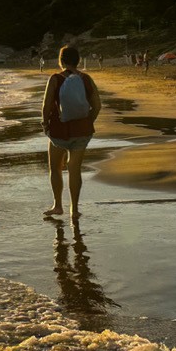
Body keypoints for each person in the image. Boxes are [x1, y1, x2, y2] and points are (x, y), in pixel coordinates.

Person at [42, 45, 102, 221]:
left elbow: (46, 105)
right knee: (74, 170)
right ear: (78, 60)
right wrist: (88, 121)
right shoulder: (86, 79)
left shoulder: (55, 79)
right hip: (82, 132)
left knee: (55, 168)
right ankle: (74, 210)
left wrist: (45, 124)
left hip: (59, 132)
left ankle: (58, 205)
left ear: (61, 61)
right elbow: (97, 106)